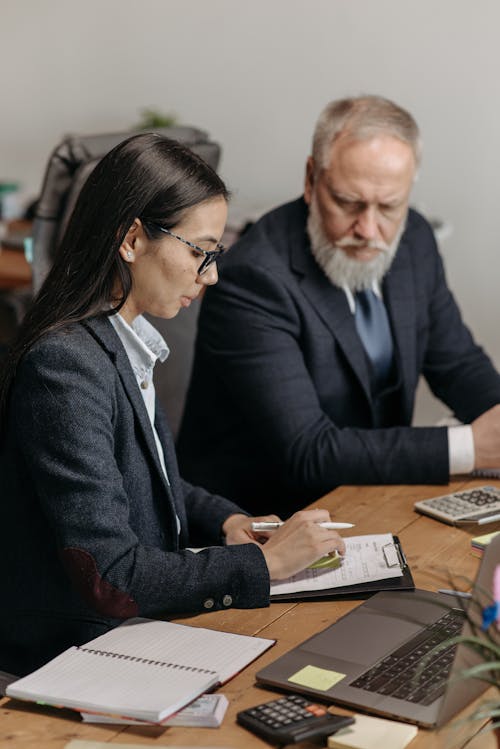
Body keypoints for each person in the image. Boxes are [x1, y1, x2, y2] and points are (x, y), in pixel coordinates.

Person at [0, 133, 345, 677]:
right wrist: (263, 563)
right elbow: (111, 575)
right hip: (68, 661)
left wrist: (228, 520)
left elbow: (140, 474)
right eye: (198, 251)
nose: (211, 275)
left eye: (215, 254)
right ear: (131, 239)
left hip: (131, 635)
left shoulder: (119, 339)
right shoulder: (64, 366)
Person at [177, 96, 500, 517]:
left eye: (388, 207)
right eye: (348, 202)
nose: (368, 229)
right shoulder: (252, 278)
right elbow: (308, 450)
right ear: (312, 180)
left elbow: (457, 364)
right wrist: (471, 448)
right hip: (262, 522)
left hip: (369, 495)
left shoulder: (415, 239)